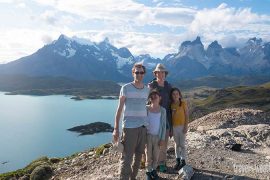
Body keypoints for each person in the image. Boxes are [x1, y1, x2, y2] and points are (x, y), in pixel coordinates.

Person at [112, 63, 149, 180]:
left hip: (143, 127)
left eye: (141, 72)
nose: (139, 74)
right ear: (133, 73)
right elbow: (119, 109)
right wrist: (116, 128)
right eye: (136, 72)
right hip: (130, 127)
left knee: (138, 156)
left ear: (144, 74)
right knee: (127, 157)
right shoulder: (126, 88)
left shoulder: (147, 90)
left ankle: (133, 177)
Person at [148, 63, 172, 172]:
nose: (161, 74)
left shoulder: (168, 86)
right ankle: (152, 163)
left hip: (165, 117)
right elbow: (148, 101)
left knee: (163, 141)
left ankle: (161, 163)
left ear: (165, 74)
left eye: (163, 72)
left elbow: (171, 103)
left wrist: (171, 124)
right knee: (152, 141)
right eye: (159, 72)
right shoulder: (152, 86)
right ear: (155, 73)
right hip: (154, 115)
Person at [145, 90, 167, 180]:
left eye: (156, 97)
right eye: (152, 97)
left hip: (158, 137)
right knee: (148, 155)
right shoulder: (146, 108)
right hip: (148, 136)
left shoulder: (163, 110)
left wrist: (162, 139)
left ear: (160, 98)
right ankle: (148, 172)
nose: (154, 99)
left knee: (156, 155)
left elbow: (164, 126)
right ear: (150, 99)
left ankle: (153, 170)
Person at [170, 87, 189, 171]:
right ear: (171, 95)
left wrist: (186, 126)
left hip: (182, 126)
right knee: (177, 144)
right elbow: (170, 118)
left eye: (177, 94)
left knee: (182, 144)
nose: (175, 95)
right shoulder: (171, 105)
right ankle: (178, 160)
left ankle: (183, 161)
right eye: (173, 94)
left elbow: (187, 115)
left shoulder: (183, 103)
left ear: (179, 95)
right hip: (174, 127)